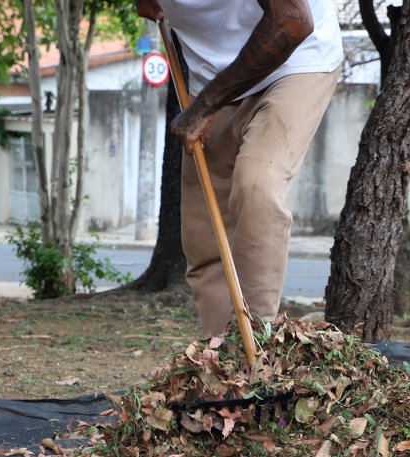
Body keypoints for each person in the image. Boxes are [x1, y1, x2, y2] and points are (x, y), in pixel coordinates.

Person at [136, 0, 343, 336]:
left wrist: (204, 106)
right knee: (204, 233)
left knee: (257, 187)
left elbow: (292, 21)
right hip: (212, 77)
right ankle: (223, 354)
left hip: (295, 61)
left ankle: (257, 344)